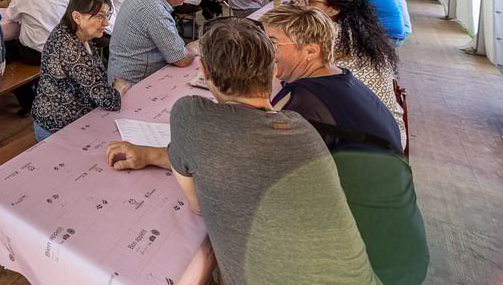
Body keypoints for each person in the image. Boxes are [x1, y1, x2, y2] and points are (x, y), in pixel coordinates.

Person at [104, 16, 382, 285]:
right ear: (274, 71)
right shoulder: (302, 129)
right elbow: (229, 153)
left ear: (205, 72)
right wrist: (149, 155)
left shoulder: (190, 114)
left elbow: (198, 204)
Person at [263, 4, 428, 285]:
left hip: (372, 265)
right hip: (401, 248)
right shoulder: (339, 79)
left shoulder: (306, 104)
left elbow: (263, 170)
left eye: (272, 44)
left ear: (310, 50)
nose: (264, 51)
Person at [297, 0, 407, 143]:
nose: (304, 7)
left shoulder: (332, 36)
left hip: (371, 139)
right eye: (304, 0)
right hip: (388, 129)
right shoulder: (357, 32)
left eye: (310, 2)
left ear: (333, 9)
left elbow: (299, 70)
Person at [31, 0, 128, 141]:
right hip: (57, 126)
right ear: (77, 17)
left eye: (106, 15)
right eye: (100, 16)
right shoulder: (69, 46)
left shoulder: (78, 33)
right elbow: (108, 100)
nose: (106, 22)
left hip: (71, 119)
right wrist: (118, 89)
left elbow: (96, 78)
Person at [107, 0, 197, 85]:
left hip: (120, 72)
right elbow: (181, 59)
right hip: (134, 83)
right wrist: (193, 47)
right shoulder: (157, 13)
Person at [3, 0, 70, 116]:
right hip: (61, 48)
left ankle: (28, 101)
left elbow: (11, 16)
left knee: (6, 54)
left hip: (36, 54)